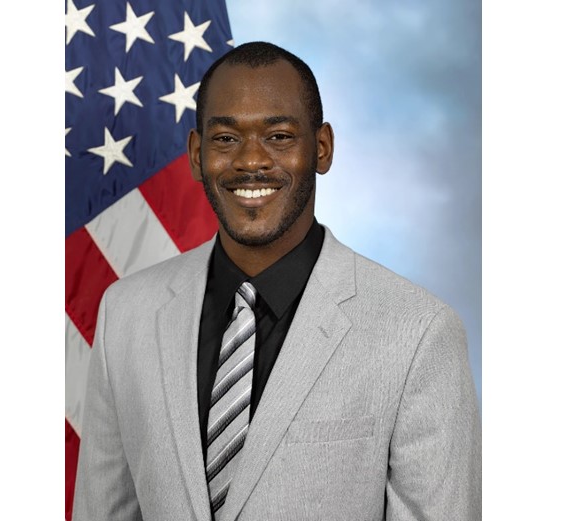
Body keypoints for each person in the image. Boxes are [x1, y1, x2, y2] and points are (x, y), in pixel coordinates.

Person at [73, 41, 480, 521]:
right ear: (197, 154)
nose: (250, 161)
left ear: (322, 148)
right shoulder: (126, 314)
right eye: (225, 139)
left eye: (279, 136)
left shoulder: (418, 333)